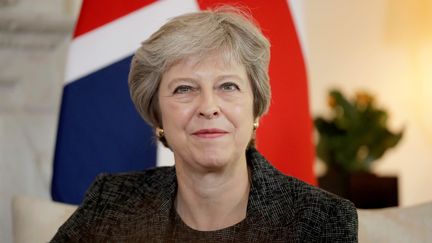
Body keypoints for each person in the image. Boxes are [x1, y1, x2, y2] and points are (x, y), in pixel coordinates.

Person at [51, 6, 358, 242]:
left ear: (255, 107)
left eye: (228, 86)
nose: (209, 107)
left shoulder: (321, 219)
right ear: (157, 114)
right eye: (184, 88)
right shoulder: (111, 202)